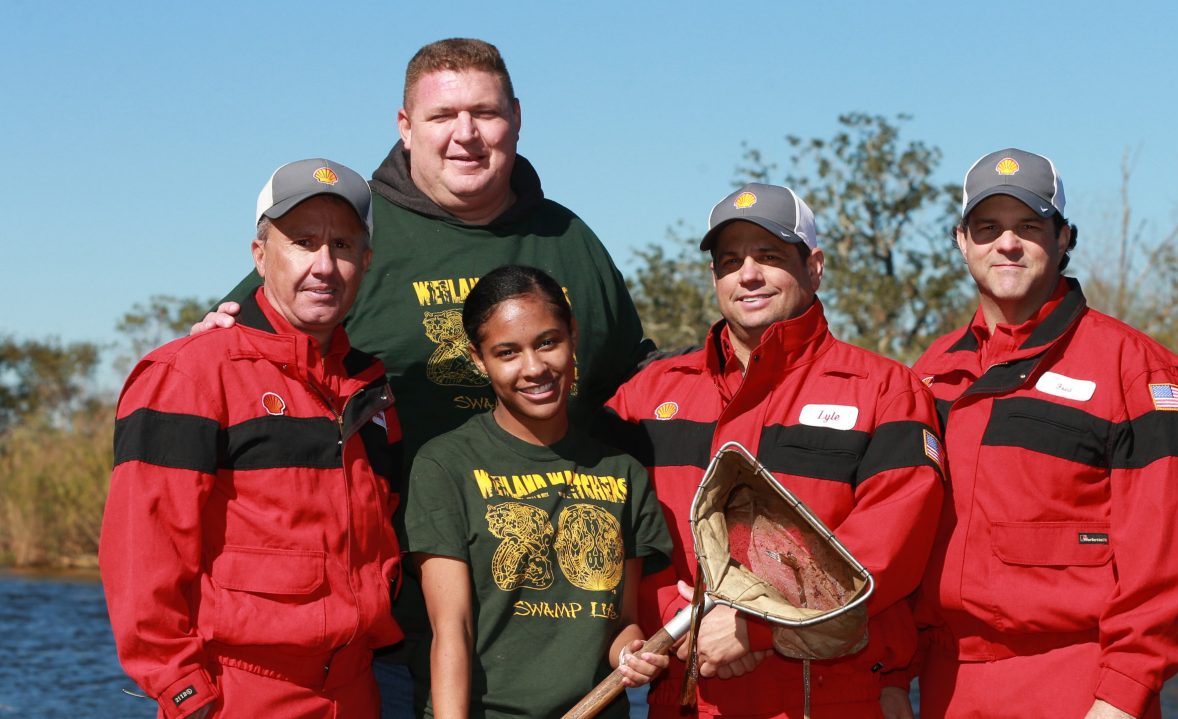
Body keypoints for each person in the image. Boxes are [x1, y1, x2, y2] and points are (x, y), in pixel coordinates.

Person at [196, 38, 653, 715]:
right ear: (405, 125)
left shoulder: (572, 242)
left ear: (517, 119)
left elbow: (633, 395)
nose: (465, 134)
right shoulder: (350, 238)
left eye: (485, 113)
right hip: (378, 629)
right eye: (442, 117)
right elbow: (239, 364)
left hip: (553, 636)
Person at [602, 183, 945, 718]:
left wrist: (756, 626)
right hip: (686, 691)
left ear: (815, 266)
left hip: (829, 694)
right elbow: (614, 529)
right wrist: (680, 616)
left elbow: (888, 553)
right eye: (730, 261)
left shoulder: (884, 391)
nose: (749, 275)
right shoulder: (645, 398)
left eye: (769, 256)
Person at [910, 148, 1178, 719]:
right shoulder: (932, 371)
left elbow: (1172, 557)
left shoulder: (1136, 370)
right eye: (988, 228)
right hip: (947, 685)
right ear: (961, 240)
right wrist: (895, 675)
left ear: (1064, 237)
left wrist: (1121, 695)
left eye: (1029, 226)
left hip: (1078, 684)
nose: (1007, 244)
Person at [100, 159, 403, 719]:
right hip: (239, 694)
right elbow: (142, 557)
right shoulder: (189, 375)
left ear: (365, 261)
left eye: (341, 245)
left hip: (359, 691)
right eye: (303, 241)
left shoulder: (372, 389)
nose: (324, 265)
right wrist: (185, 693)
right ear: (260, 254)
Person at [401, 265, 672, 718]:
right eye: (507, 352)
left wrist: (633, 654)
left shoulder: (622, 472)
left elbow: (621, 623)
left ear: (573, 336)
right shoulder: (443, 464)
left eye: (548, 342)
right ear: (478, 359)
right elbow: (452, 628)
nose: (534, 368)